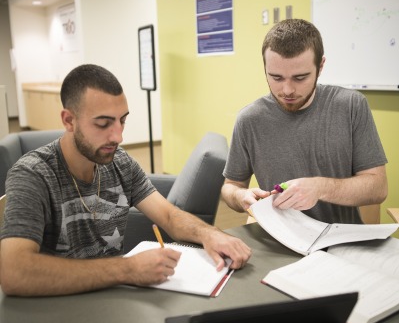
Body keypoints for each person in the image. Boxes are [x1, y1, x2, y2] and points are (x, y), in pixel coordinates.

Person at [0, 64, 251, 296]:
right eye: (103, 124)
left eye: (122, 120)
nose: (118, 136)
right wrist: (127, 269)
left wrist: (209, 234)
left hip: (114, 304)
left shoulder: (120, 162)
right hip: (56, 311)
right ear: (69, 120)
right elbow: (13, 271)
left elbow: (169, 216)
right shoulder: (33, 174)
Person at [221, 19, 387, 224]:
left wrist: (319, 188)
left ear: (321, 66)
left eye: (300, 78)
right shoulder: (249, 119)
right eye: (276, 77)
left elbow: (378, 188)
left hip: (340, 241)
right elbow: (230, 186)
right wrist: (240, 197)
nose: (287, 90)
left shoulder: (351, 106)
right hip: (280, 239)